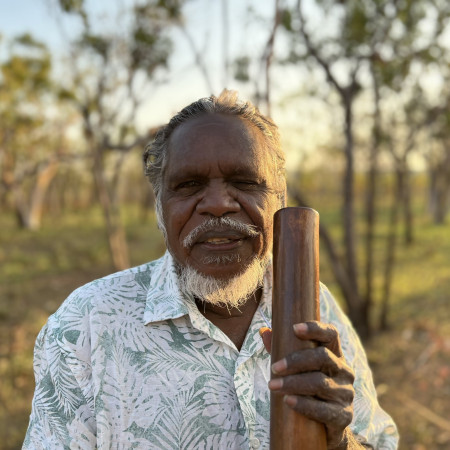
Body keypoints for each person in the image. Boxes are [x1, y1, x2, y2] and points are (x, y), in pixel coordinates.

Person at [24, 90, 398, 449]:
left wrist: (339, 441)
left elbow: (378, 442)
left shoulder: (316, 307)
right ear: (160, 206)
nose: (218, 204)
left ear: (278, 201)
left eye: (245, 182)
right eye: (189, 185)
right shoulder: (86, 323)